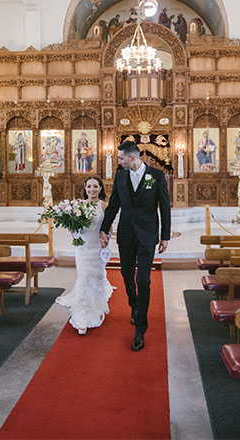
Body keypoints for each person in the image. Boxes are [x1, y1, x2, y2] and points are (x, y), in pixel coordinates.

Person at [100, 141, 171, 351]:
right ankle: (134, 305)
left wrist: (165, 236)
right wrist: (103, 229)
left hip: (147, 235)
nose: (119, 161)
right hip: (126, 234)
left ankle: (140, 328)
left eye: (121, 158)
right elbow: (113, 206)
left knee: (144, 280)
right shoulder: (120, 176)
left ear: (132, 158)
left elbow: (164, 207)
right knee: (126, 274)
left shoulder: (156, 176)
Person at [56, 177, 114, 335]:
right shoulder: (78, 205)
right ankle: (81, 317)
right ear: (85, 187)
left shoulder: (104, 206)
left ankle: (97, 307)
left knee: (97, 278)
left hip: (97, 247)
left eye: (95, 186)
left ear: (100, 188)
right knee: (84, 278)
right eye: (89, 186)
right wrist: (72, 229)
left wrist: (106, 239)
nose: (92, 189)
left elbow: (109, 229)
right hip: (82, 248)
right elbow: (72, 227)